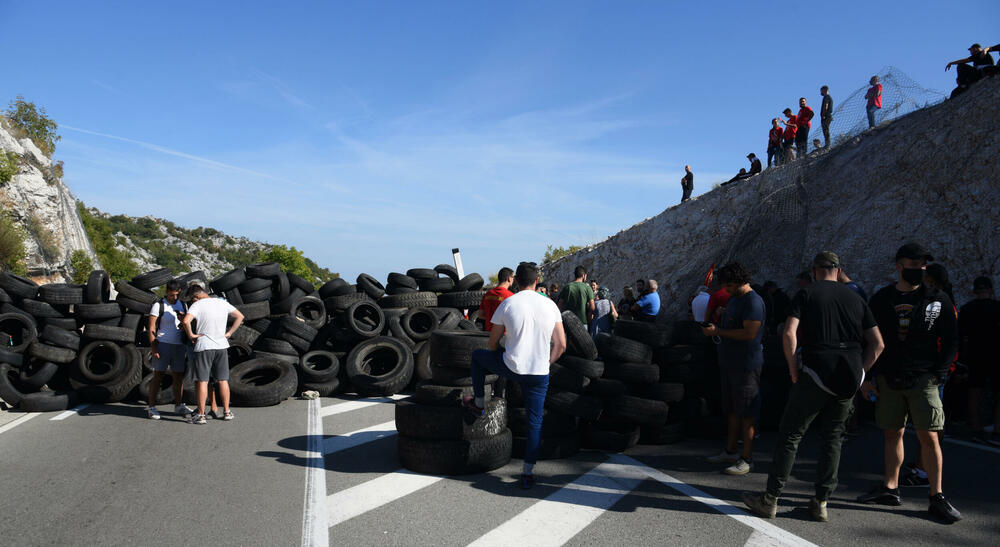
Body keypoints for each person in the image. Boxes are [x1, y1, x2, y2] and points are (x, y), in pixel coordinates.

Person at [742, 252, 885, 522]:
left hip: (816, 371)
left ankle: (770, 498)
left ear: (814, 270)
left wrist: (793, 369)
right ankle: (821, 502)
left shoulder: (807, 293)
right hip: (849, 374)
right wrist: (862, 373)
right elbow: (878, 344)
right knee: (833, 438)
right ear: (839, 270)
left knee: (791, 434)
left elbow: (788, 333)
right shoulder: (856, 298)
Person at [856, 243, 962, 523]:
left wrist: (939, 373)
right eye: (914, 265)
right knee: (893, 433)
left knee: (929, 436)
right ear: (899, 266)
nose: (920, 270)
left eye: (923, 266)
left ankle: (936, 496)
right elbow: (868, 340)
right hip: (889, 378)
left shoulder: (938, 299)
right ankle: (890, 488)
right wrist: (867, 378)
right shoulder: (881, 299)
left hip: (924, 378)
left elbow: (952, 340)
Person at [464, 262, 566, 489]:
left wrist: (500, 351)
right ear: (536, 281)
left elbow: (491, 343)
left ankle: (479, 403)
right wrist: (545, 363)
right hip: (539, 373)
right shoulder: (550, 305)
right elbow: (561, 345)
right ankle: (528, 473)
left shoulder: (508, 303)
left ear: (516, 281)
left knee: (478, 357)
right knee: (535, 423)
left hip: (511, 367)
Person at [701, 262, 765, 475]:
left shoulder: (753, 302)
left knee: (747, 411)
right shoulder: (735, 299)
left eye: (728, 285)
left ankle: (747, 458)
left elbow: (749, 334)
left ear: (737, 282)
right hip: (729, 362)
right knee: (731, 408)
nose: (725, 290)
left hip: (746, 365)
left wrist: (718, 330)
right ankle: (730, 450)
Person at [180, 285, 245, 424]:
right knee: (222, 380)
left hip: (204, 346)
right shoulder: (222, 302)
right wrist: (229, 333)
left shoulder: (197, 305)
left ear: (196, 297)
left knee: (202, 381)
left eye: (193, 299)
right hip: (221, 345)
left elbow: (185, 321)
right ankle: (227, 412)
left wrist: (191, 335)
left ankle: (201, 415)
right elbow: (240, 316)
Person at [145, 279, 195, 419]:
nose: (174, 297)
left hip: (179, 345)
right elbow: (151, 328)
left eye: (177, 295)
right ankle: (152, 407)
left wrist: (182, 320)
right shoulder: (158, 305)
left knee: (178, 376)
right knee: (158, 376)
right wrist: (154, 347)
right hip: (163, 344)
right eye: (172, 295)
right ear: (166, 292)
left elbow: (186, 325)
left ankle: (178, 405)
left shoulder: (183, 304)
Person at [960, 276, 1000, 445]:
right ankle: (998, 430)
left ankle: (976, 428)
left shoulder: (968, 309)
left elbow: (961, 335)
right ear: (991, 290)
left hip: (975, 355)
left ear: (975, 291)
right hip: (996, 354)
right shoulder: (998, 308)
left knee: (974, 391)